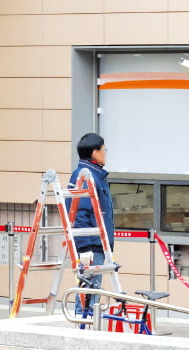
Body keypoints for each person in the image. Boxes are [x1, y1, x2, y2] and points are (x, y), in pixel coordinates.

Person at [68, 133, 114, 315]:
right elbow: (79, 213)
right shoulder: (86, 176)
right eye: (104, 150)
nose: (106, 153)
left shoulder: (94, 174)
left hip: (97, 244)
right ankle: (82, 333)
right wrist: (85, 247)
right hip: (92, 246)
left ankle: (85, 329)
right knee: (88, 296)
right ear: (95, 153)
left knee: (91, 294)